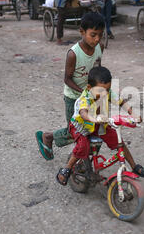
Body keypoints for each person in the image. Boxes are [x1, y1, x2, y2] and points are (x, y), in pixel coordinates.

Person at [56, 66, 144, 185]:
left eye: (108, 89)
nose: (105, 93)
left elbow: (122, 102)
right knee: (83, 146)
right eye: (101, 91)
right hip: (81, 127)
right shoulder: (84, 98)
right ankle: (67, 168)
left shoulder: (107, 92)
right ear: (89, 87)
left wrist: (133, 114)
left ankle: (134, 166)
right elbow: (83, 113)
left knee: (118, 141)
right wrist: (94, 119)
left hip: (99, 124)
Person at [35, 12, 105, 162]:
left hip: (91, 97)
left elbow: (98, 69)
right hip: (73, 97)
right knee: (74, 131)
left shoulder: (100, 47)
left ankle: (85, 164)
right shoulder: (74, 54)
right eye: (93, 35)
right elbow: (67, 79)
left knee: (93, 129)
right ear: (82, 32)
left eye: (100, 35)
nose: (97, 39)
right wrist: (83, 93)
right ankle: (48, 137)